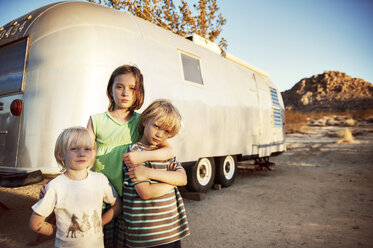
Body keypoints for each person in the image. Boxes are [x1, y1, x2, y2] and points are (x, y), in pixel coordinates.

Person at [87, 65, 175, 247]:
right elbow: (81, 154)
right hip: (102, 197)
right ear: (110, 90)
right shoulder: (96, 121)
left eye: (132, 88)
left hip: (131, 199)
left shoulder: (142, 121)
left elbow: (169, 151)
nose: (125, 92)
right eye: (119, 87)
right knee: (99, 239)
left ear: (138, 92)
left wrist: (141, 159)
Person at [29, 127, 122, 248]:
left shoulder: (100, 180)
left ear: (93, 153)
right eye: (74, 149)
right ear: (60, 154)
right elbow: (35, 224)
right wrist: (60, 231)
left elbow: (118, 206)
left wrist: (99, 223)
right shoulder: (55, 186)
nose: (82, 153)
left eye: (87, 149)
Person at [123, 99, 190, 248]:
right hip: (145, 235)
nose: (160, 134)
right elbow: (146, 192)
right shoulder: (134, 152)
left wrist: (147, 172)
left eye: (166, 131)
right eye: (157, 126)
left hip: (171, 231)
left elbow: (183, 178)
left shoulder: (164, 154)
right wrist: (173, 181)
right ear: (146, 120)